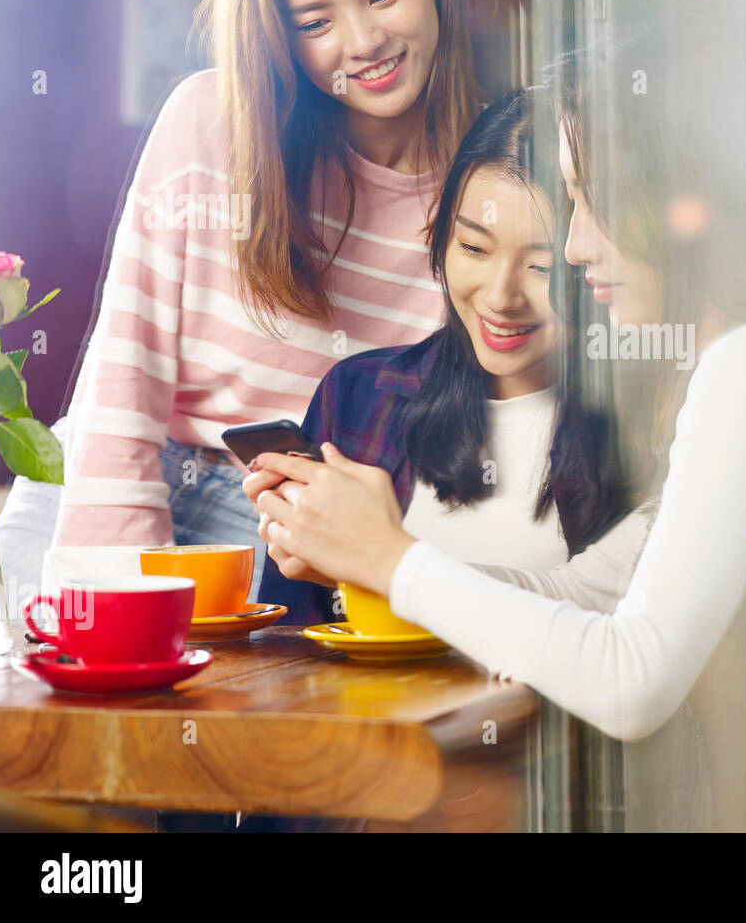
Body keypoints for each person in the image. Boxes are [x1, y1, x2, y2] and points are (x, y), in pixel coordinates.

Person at [248, 61, 746, 755]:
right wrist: (360, 560)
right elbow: (572, 592)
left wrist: (390, 559)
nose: (576, 246)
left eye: (594, 202)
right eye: (472, 245)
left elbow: (631, 678)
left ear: (681, 203)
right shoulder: (706, 376)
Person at [0, 0, 481, 610]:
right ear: (276, 37)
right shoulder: (208, 121)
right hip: (102, 492)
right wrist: (120, 594)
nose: (362, 42)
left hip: (294, 531)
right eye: (313, 23)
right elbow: (125, 378)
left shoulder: (489, 185)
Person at [252, 88, 649, 625]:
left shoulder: (643, 428)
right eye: (475, 249)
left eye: (543, 266)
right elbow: (294, 637)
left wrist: (372, 561)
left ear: (591, 264)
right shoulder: (360, 396)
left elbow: (605, 638)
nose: (500, 297)